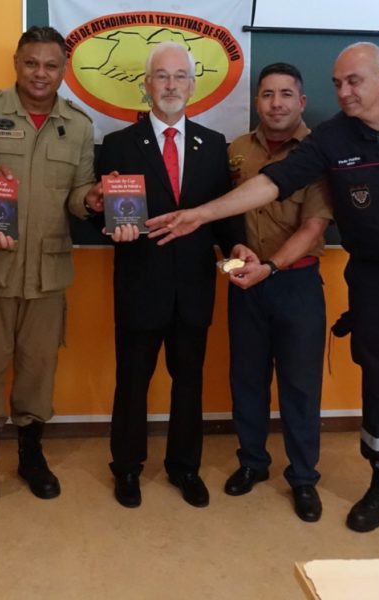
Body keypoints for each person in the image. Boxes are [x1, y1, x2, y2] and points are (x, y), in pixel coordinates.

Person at [147, 42, 379, 532]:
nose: (344, 92)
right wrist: (199, 215)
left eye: (354, 81)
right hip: (376, 279)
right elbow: (272, 183)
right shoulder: (331, 139)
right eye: (337, 83)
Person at [86, 41, 243, 508]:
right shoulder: (117, 145)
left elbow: (225, 220)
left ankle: (184, 467)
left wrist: (236, 257)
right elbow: (102, 215)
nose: (171, 85)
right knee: (132, 381)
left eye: (179, 77)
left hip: (194, 289)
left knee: (189, 382)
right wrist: (106, 224)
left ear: (192, 86)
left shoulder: (213, 145)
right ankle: (127, 467)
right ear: (146, 85)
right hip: (140, 286)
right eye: (162, 76)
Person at [0, 26, 95, 510]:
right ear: (16, 62)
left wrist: (93, 199)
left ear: (64, 70)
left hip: (48, 273)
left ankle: (31, 457)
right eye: (31, 63)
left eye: (51, 65)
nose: (40, 74)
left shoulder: (78, 125)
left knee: (38, 370)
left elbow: (78, 195)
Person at [221, 63, 332, 523]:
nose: (276, 103)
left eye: (286, 94)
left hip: (296, 285)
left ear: (301, 102)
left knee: (300, 387)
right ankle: (252, 462)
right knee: (246, 379)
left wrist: (270, 267)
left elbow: (314, 225)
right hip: (245, 281)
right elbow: (227, 216)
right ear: (257, 102)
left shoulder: (319, 152)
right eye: (267, 94)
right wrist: (234, 255)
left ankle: (303, 477)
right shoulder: (237, 150)